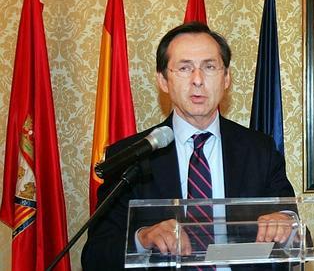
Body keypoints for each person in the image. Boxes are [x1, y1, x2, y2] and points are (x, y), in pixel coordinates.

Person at [82, 22, 298, 270]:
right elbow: (95, 256)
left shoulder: (259, 150)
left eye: (209, 67)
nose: (198, 80)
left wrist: (287, 223)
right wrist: (143, 239)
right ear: (163, 80)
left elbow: (301, 237)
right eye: (184, 68)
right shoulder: (131, 155)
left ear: (226, 78)